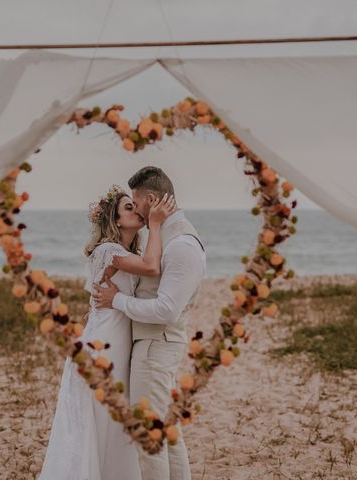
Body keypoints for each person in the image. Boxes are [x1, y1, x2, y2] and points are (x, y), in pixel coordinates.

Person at [39, 184, 175, 480]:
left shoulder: (128, 252)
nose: (136, 210)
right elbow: (151, 267)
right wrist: (155, 223)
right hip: (104, 343)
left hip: (116, 339)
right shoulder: (108, 251)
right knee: (104, 416)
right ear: (114, 221)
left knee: (115, 418)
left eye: (134, 206)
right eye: (128, 208)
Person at [93, 166, 206, 480]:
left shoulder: (181, 245)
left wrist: (116, 300)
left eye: (136, 203)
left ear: (152, 200)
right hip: (154, 346)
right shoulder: (167, 238)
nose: (137, 211)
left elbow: (167, 310)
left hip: (157, 347)